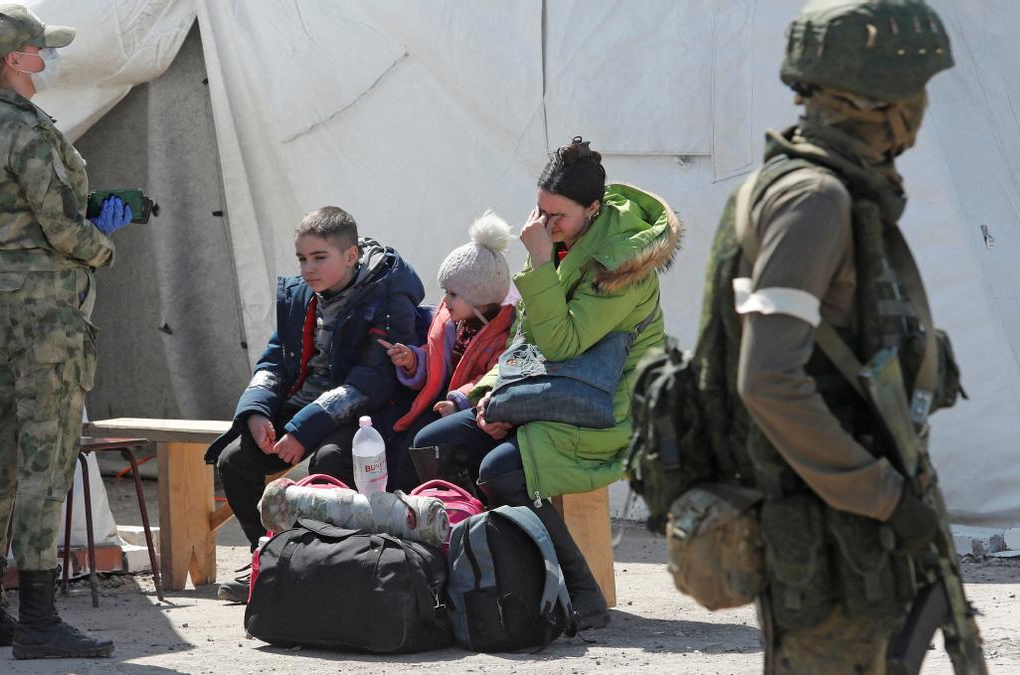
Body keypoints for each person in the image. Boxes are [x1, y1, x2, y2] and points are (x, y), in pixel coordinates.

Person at [697, 1, 982, 671]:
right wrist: (882, 494)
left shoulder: (819, 187)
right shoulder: (813, 199)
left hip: (845, 538)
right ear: (874, 100)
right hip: (831, 549)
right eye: (914, 91)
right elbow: (768, 377)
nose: (920, 107)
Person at [413, 138, 682, 630]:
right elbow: (525, 344)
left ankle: (581, 593)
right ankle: (489, 575)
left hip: (607, 410)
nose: (542, 224)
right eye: (540, 210)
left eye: (556, 214)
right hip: (548, 392)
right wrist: (471, 395)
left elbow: (560, 344)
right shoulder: (565, 246)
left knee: (501, 472)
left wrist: (538, 264)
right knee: (432, 446)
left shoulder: (622, 267)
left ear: (594, 209)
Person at [0, 4, 132, 659]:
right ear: (15, 59)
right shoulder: (27, 131)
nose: (48, 58)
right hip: (43, 313)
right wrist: (103, 242)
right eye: (40, 49)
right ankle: (36, 619)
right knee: (45, 463)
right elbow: (61, 229)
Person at [204, 206, 424, 602]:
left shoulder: (388, 296)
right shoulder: (299, 296)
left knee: (331, 461)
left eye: (319, 258)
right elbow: (274, 360)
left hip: (363, 416)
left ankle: (323, 562)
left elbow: (372, 382)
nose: (308, 268)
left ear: (351, 256)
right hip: (302, 409)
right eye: (302, 259)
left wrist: (303, 430)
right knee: (235, 460)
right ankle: (268, 556)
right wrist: (256, 413)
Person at [379, 210, 518, 495]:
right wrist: (412, 359)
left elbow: (487, 378)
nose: (444, 300)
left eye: (453, 294)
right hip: (438, 403)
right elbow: (434, 359)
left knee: (419, 449)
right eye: (446, 291)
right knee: (399, 449)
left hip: (469, 410)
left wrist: (458, 401)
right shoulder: (451, 323)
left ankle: (434, 506)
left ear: (479, 296)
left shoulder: (501, 335)